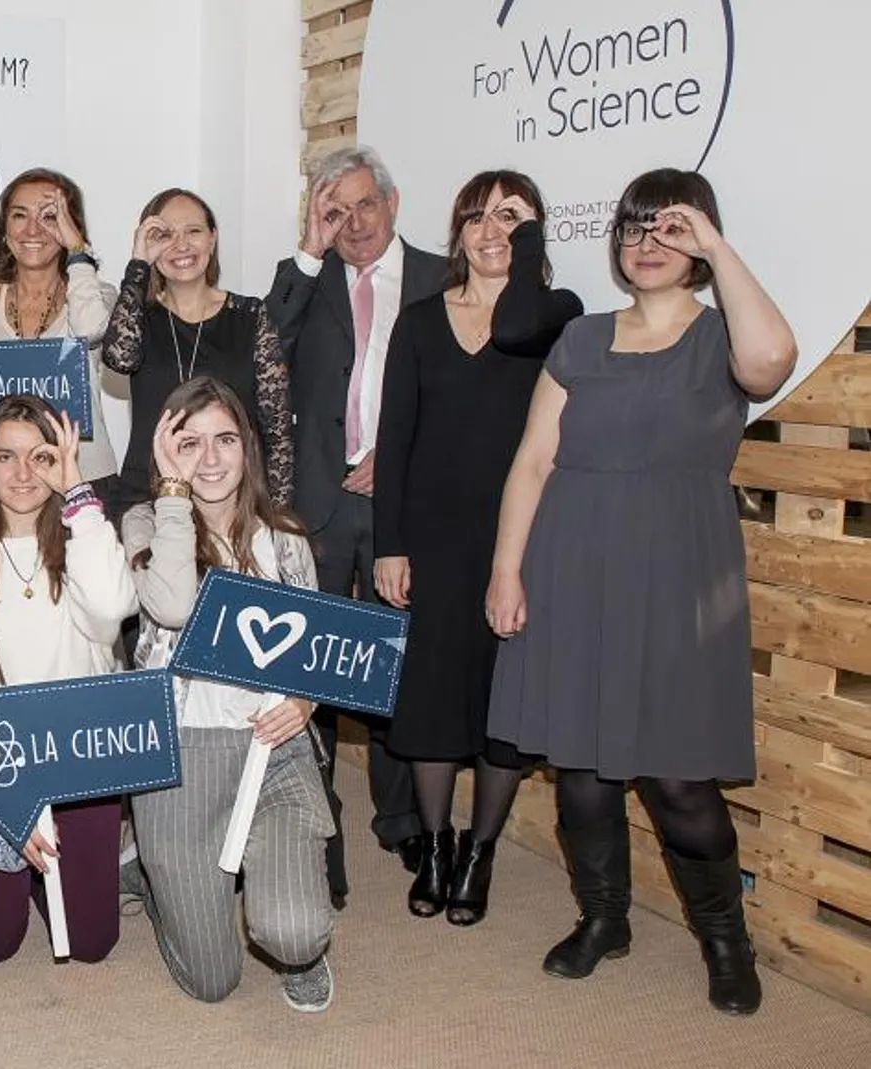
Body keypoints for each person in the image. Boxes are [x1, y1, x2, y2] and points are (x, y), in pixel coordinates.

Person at [487, 169, 794, 1016]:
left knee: (682, 782)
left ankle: (726, 939)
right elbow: (533, 461)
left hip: (679, 581)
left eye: (669, 229)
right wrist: (507, 567)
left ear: (700, 239)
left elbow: (771, 365)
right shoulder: (581, 338)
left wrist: (717, 249)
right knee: (580, 769)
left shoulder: (724, 337)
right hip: (572, 568)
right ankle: (605, 919)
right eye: (633, 228)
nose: (645, 243)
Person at [371, 171, 582, 925]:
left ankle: (481, 848)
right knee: (427, 702)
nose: (493, 230)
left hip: (520, 541)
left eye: (513, 218)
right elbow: (394, 439)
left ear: (536, 234)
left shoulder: (557, 314)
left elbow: (516, 327)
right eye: (478, 218)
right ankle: (433, 842)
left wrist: (521, 254)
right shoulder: (421, 321)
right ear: (455, 232)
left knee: (503, 701)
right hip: (430, 539)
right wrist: (388, 543)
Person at [265, 144, 444, 908]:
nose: (354, 223)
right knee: (312, 662)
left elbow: (466, 393)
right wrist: (309, 248)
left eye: (365, 205)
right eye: (336, 211)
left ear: (394, 205)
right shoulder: (307, 281)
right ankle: (317, 808)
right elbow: (263, 349)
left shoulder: (442, 278)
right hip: (317, 501)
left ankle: (402, 814)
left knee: (395, 661)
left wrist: (403, 457)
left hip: (403, 501)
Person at [122, 376, 335, 1013]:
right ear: (165, 451)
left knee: (293, 932)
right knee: (213, 981)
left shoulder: (287, 539)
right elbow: (176, 605)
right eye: (188, 443)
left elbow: (315, 655)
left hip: (273, 753)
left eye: (224, 440)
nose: (209, 459)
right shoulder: (144, 522)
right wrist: (171, 493)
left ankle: (304, 952)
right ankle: (149, 872)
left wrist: (306, 703)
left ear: (248, 447)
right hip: (179, 755)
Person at [0, 395, 138, 965]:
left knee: (93, 943)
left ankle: (56, 879)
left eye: (41, 457)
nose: (23, 474)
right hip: (1, 762)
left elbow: (114, 606)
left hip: (80, 755)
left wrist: (78, 497)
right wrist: (9, 804)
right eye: (5, 457)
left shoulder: (84, 533)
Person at [102, 188, 292, 513]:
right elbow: (119, 358)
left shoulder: (250, 316)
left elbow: (276, 429)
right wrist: (138, 264)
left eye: (194, 231)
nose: (181, 245)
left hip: (231, 502)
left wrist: (277, 515)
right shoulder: (138, 318)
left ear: (212, 239)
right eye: (164, 235)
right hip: (150, 500)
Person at [0, 168, 119, 500]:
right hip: (7, 484)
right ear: (4, 229)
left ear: (71, 227)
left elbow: (89, 330)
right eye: (19, 216)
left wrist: (77, 251)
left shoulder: (97, 295)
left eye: (50, 216)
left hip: (83, 475)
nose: (32, 229)